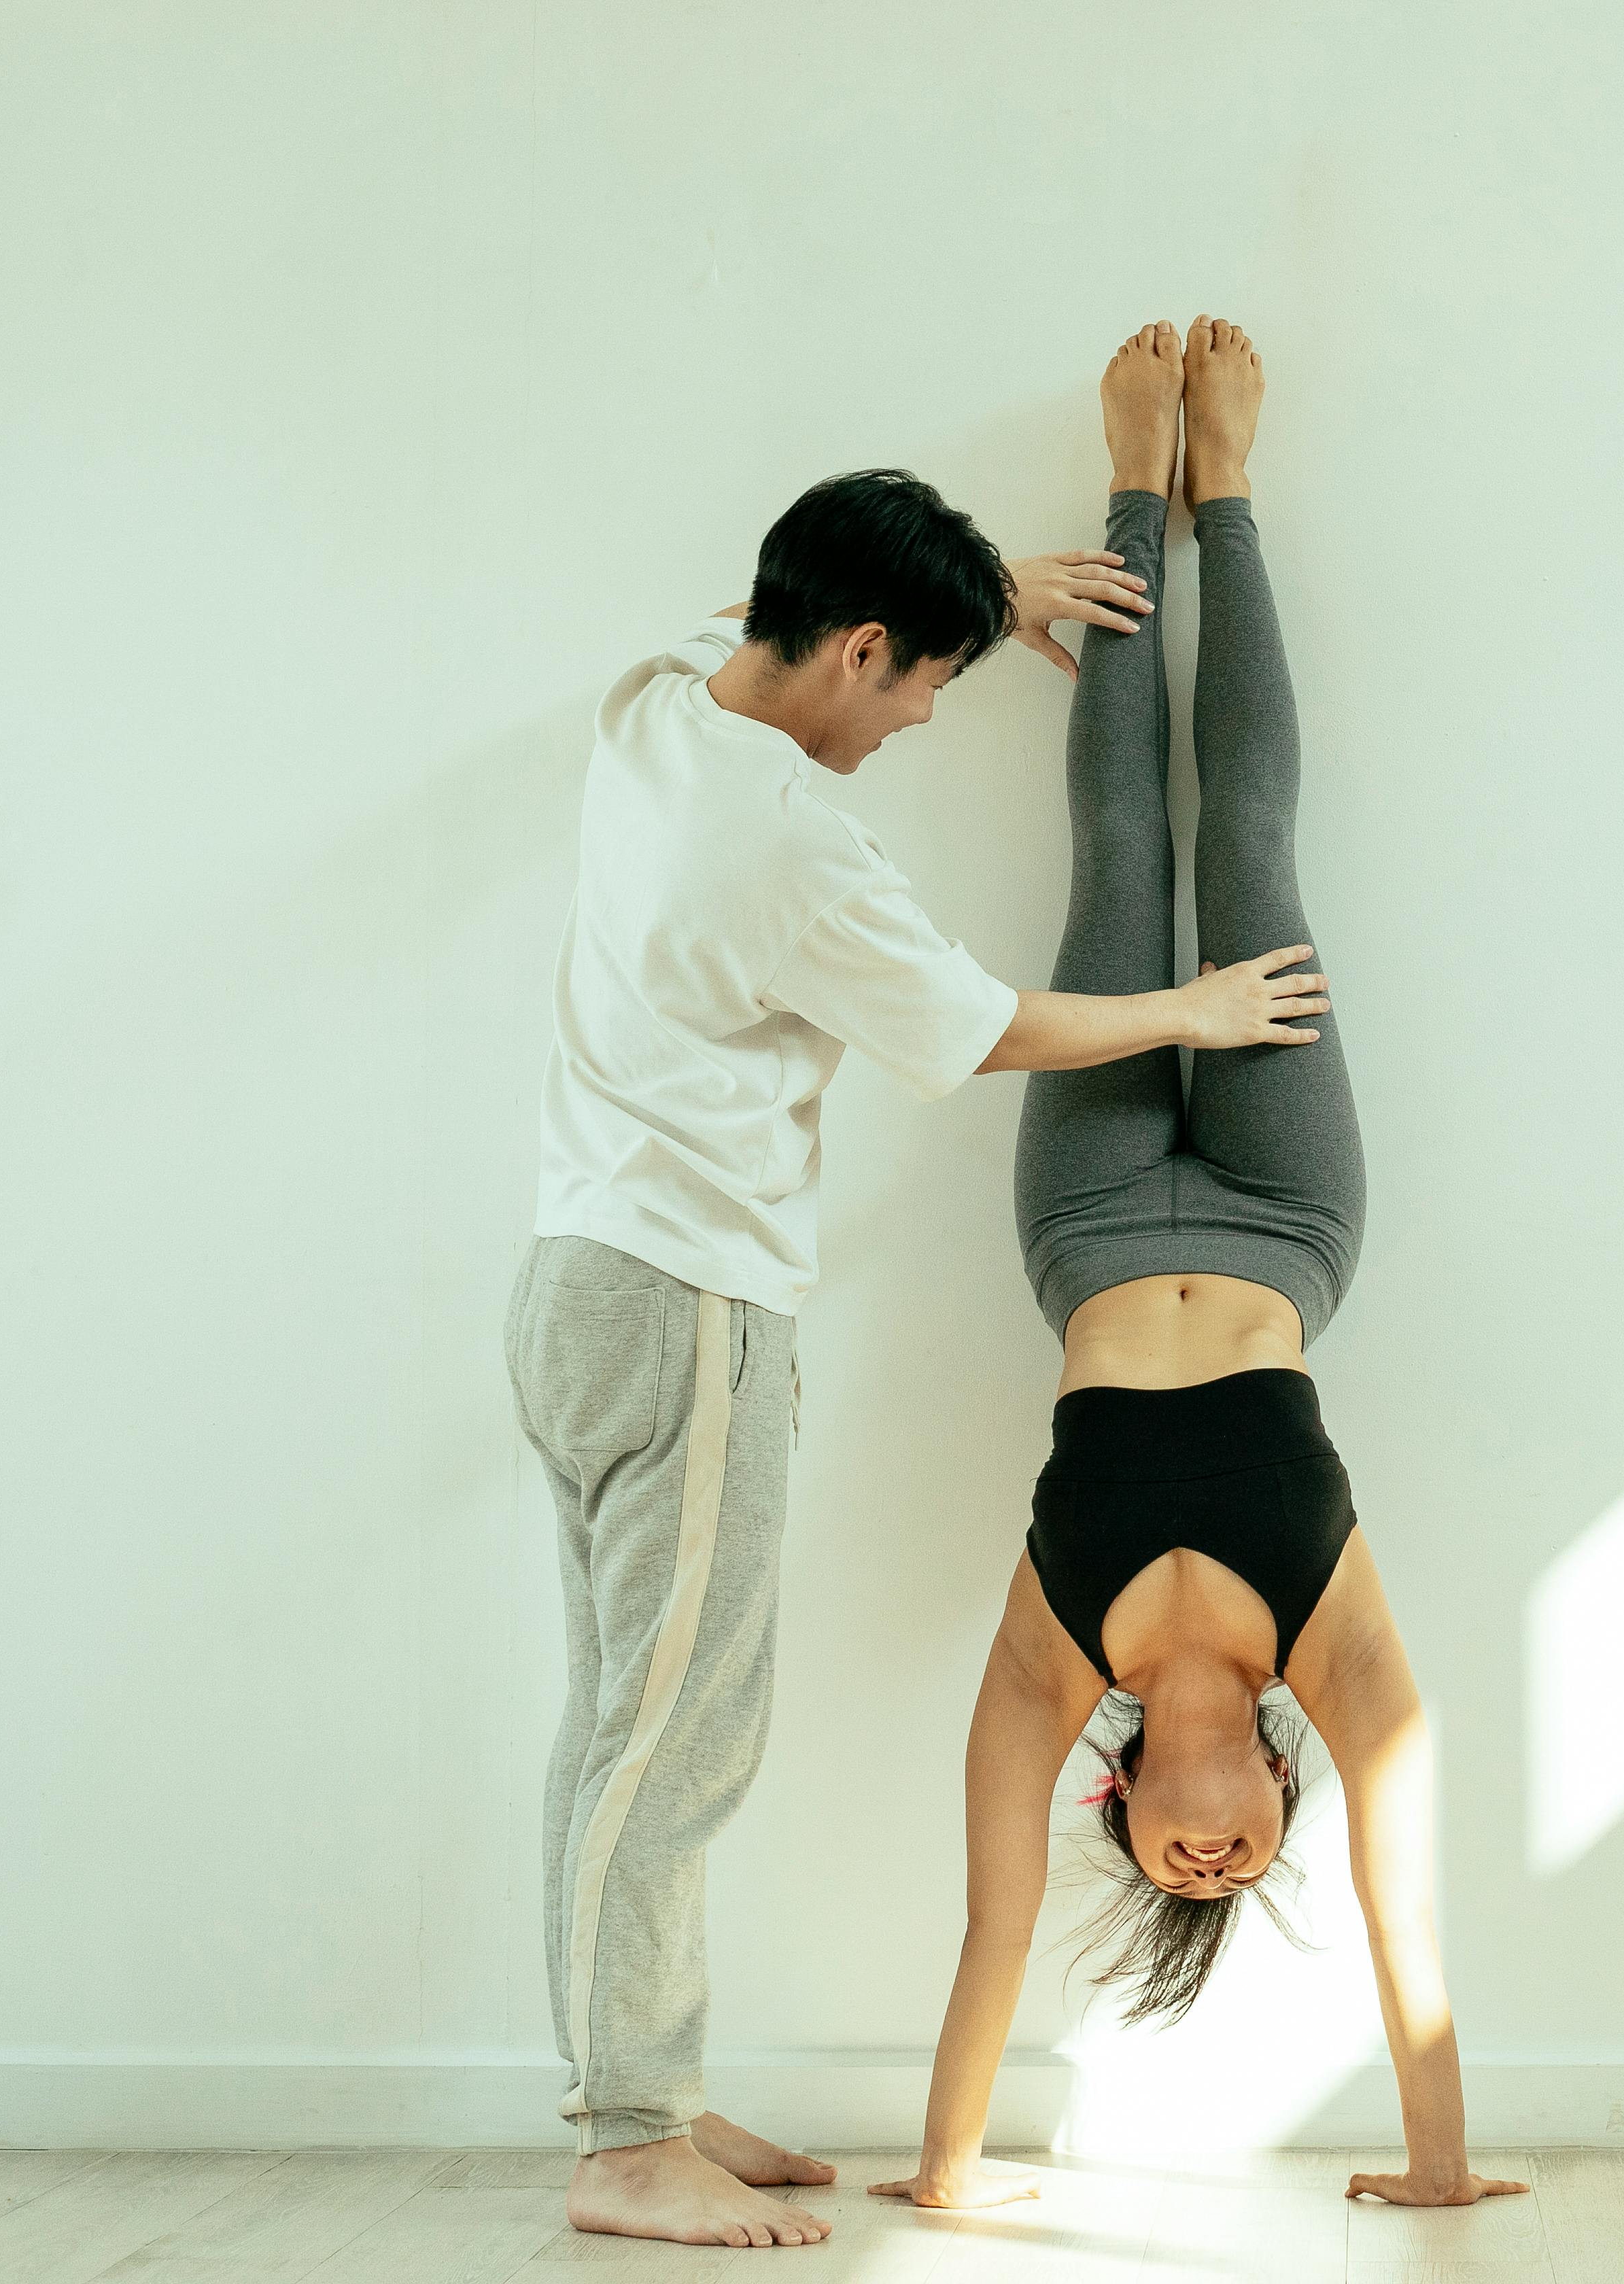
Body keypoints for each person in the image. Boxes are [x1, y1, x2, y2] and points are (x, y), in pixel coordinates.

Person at [506, 464, 1332, 2249]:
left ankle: (640, 2084)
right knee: (675, 1748)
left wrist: (984, 584)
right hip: (688, 1310)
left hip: (576, 1284)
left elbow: (749, 619)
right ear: (862, 647)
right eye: (927, 684)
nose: (922, 721)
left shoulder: (657, 709)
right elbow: (985, 1030)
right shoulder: (794, 843)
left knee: (616, 1728)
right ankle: (627, 2141)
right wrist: (1195, 1012)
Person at [875, 319, 1527, 2213]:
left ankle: (1125, 491)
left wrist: (944, 2182)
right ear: (1272, 1799)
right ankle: (1222, 488)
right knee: (1242, 844)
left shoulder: (1044, 1662)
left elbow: (993, 1943)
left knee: (1117, 853)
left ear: (1135, 1806)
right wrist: (1440, 2178)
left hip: (1082, 1227)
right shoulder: (1347, 1661)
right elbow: (1412, 1953)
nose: (1214, 1869)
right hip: (1281, 1221)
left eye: (1181, 1876)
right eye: (1239, 1872)